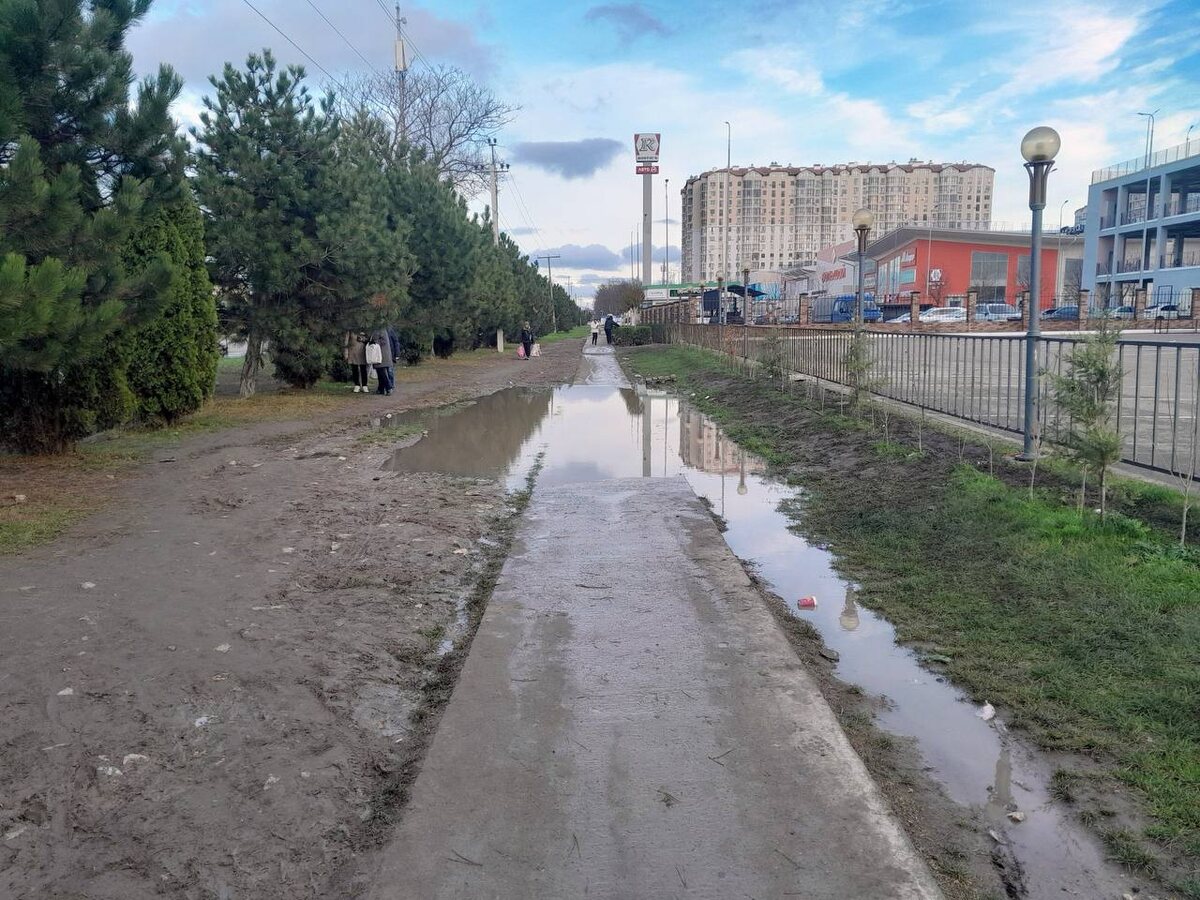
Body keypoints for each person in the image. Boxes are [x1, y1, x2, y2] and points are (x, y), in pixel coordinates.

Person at [371, 327, 395, 395]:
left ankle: (388, 388)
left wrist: (374, 342)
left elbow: (383, 341)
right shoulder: (377, 329)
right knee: (379, 372)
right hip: (379, 354)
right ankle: (380, 389)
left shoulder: (381, 329)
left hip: (382, 354)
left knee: (382, 372)